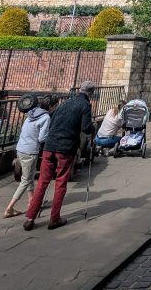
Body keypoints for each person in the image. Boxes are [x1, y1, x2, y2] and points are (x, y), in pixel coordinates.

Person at [24, 81, 96, 231]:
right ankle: (54, 218)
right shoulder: (85, 106)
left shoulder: (64, 103)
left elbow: (52, 121)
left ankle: (30, 218)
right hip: (65, 148)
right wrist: (93, 127)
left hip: (49, 146)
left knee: (42, 182)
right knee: (60, 183)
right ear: (91, 93)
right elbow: (86, 128)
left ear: (79, 90)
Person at [4, 94, 54, 218]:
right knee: (26, 180)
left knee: (29, 177)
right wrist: (52, 135)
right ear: (51, 106)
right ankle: (9, 208)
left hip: (20, 148)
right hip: (30, 151)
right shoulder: (46, 117)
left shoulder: (31, 113)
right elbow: (42, 138)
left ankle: (32, 201)